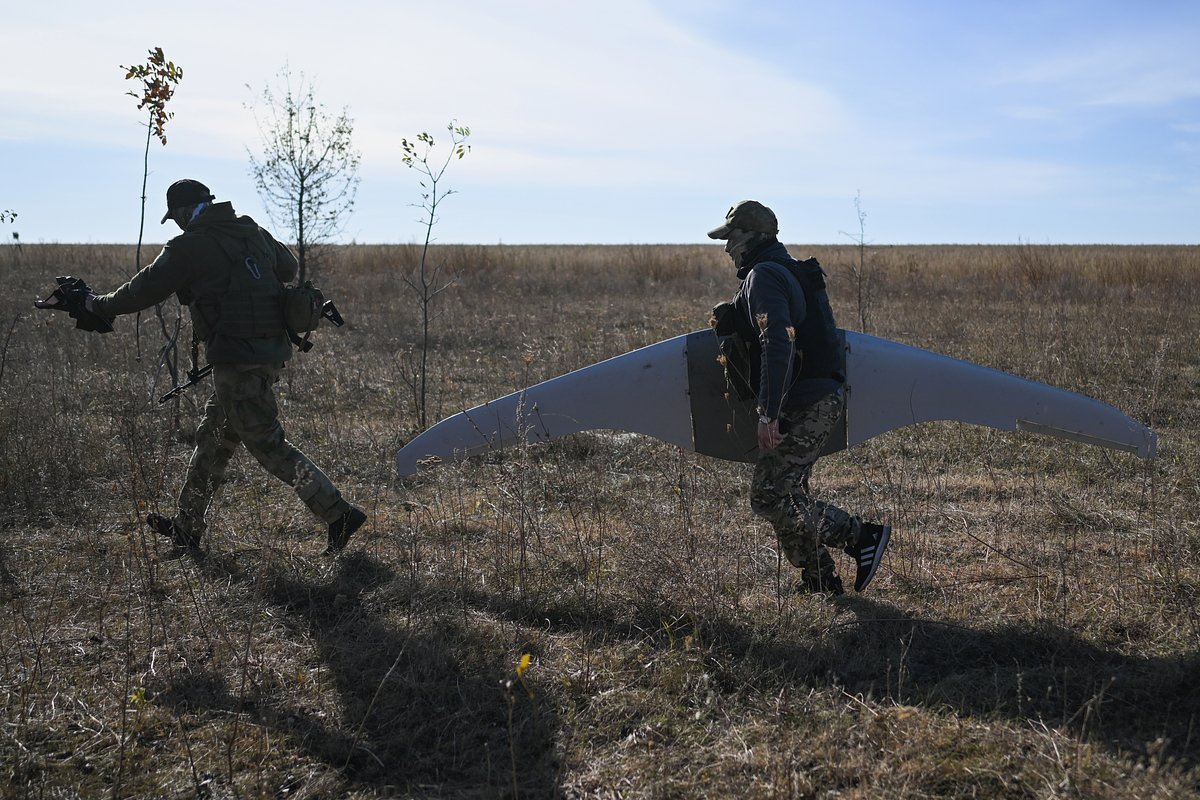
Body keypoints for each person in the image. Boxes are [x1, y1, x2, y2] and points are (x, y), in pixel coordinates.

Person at [86, 179, 366, 555]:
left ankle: (339, 513)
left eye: (177, 219)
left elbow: (144, 289)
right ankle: (187, 526)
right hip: (266, 352)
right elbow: (288, 267)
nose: (179, 226)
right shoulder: (251, 230)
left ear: (186, 212)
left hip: (239, 359)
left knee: (267, 444)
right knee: (213, 438)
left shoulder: (188, 246)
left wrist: (97, 305)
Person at [708, 200, 889, 594]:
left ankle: (861, 537)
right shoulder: (783, 270)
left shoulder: (764, 276)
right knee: (789, 495)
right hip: (812, 397)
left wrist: (767, 413)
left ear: (754, 237)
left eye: (732, 238)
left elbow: (778, 342)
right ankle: (820, 581)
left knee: (769, 497)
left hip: (805, 401)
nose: (727, 248)